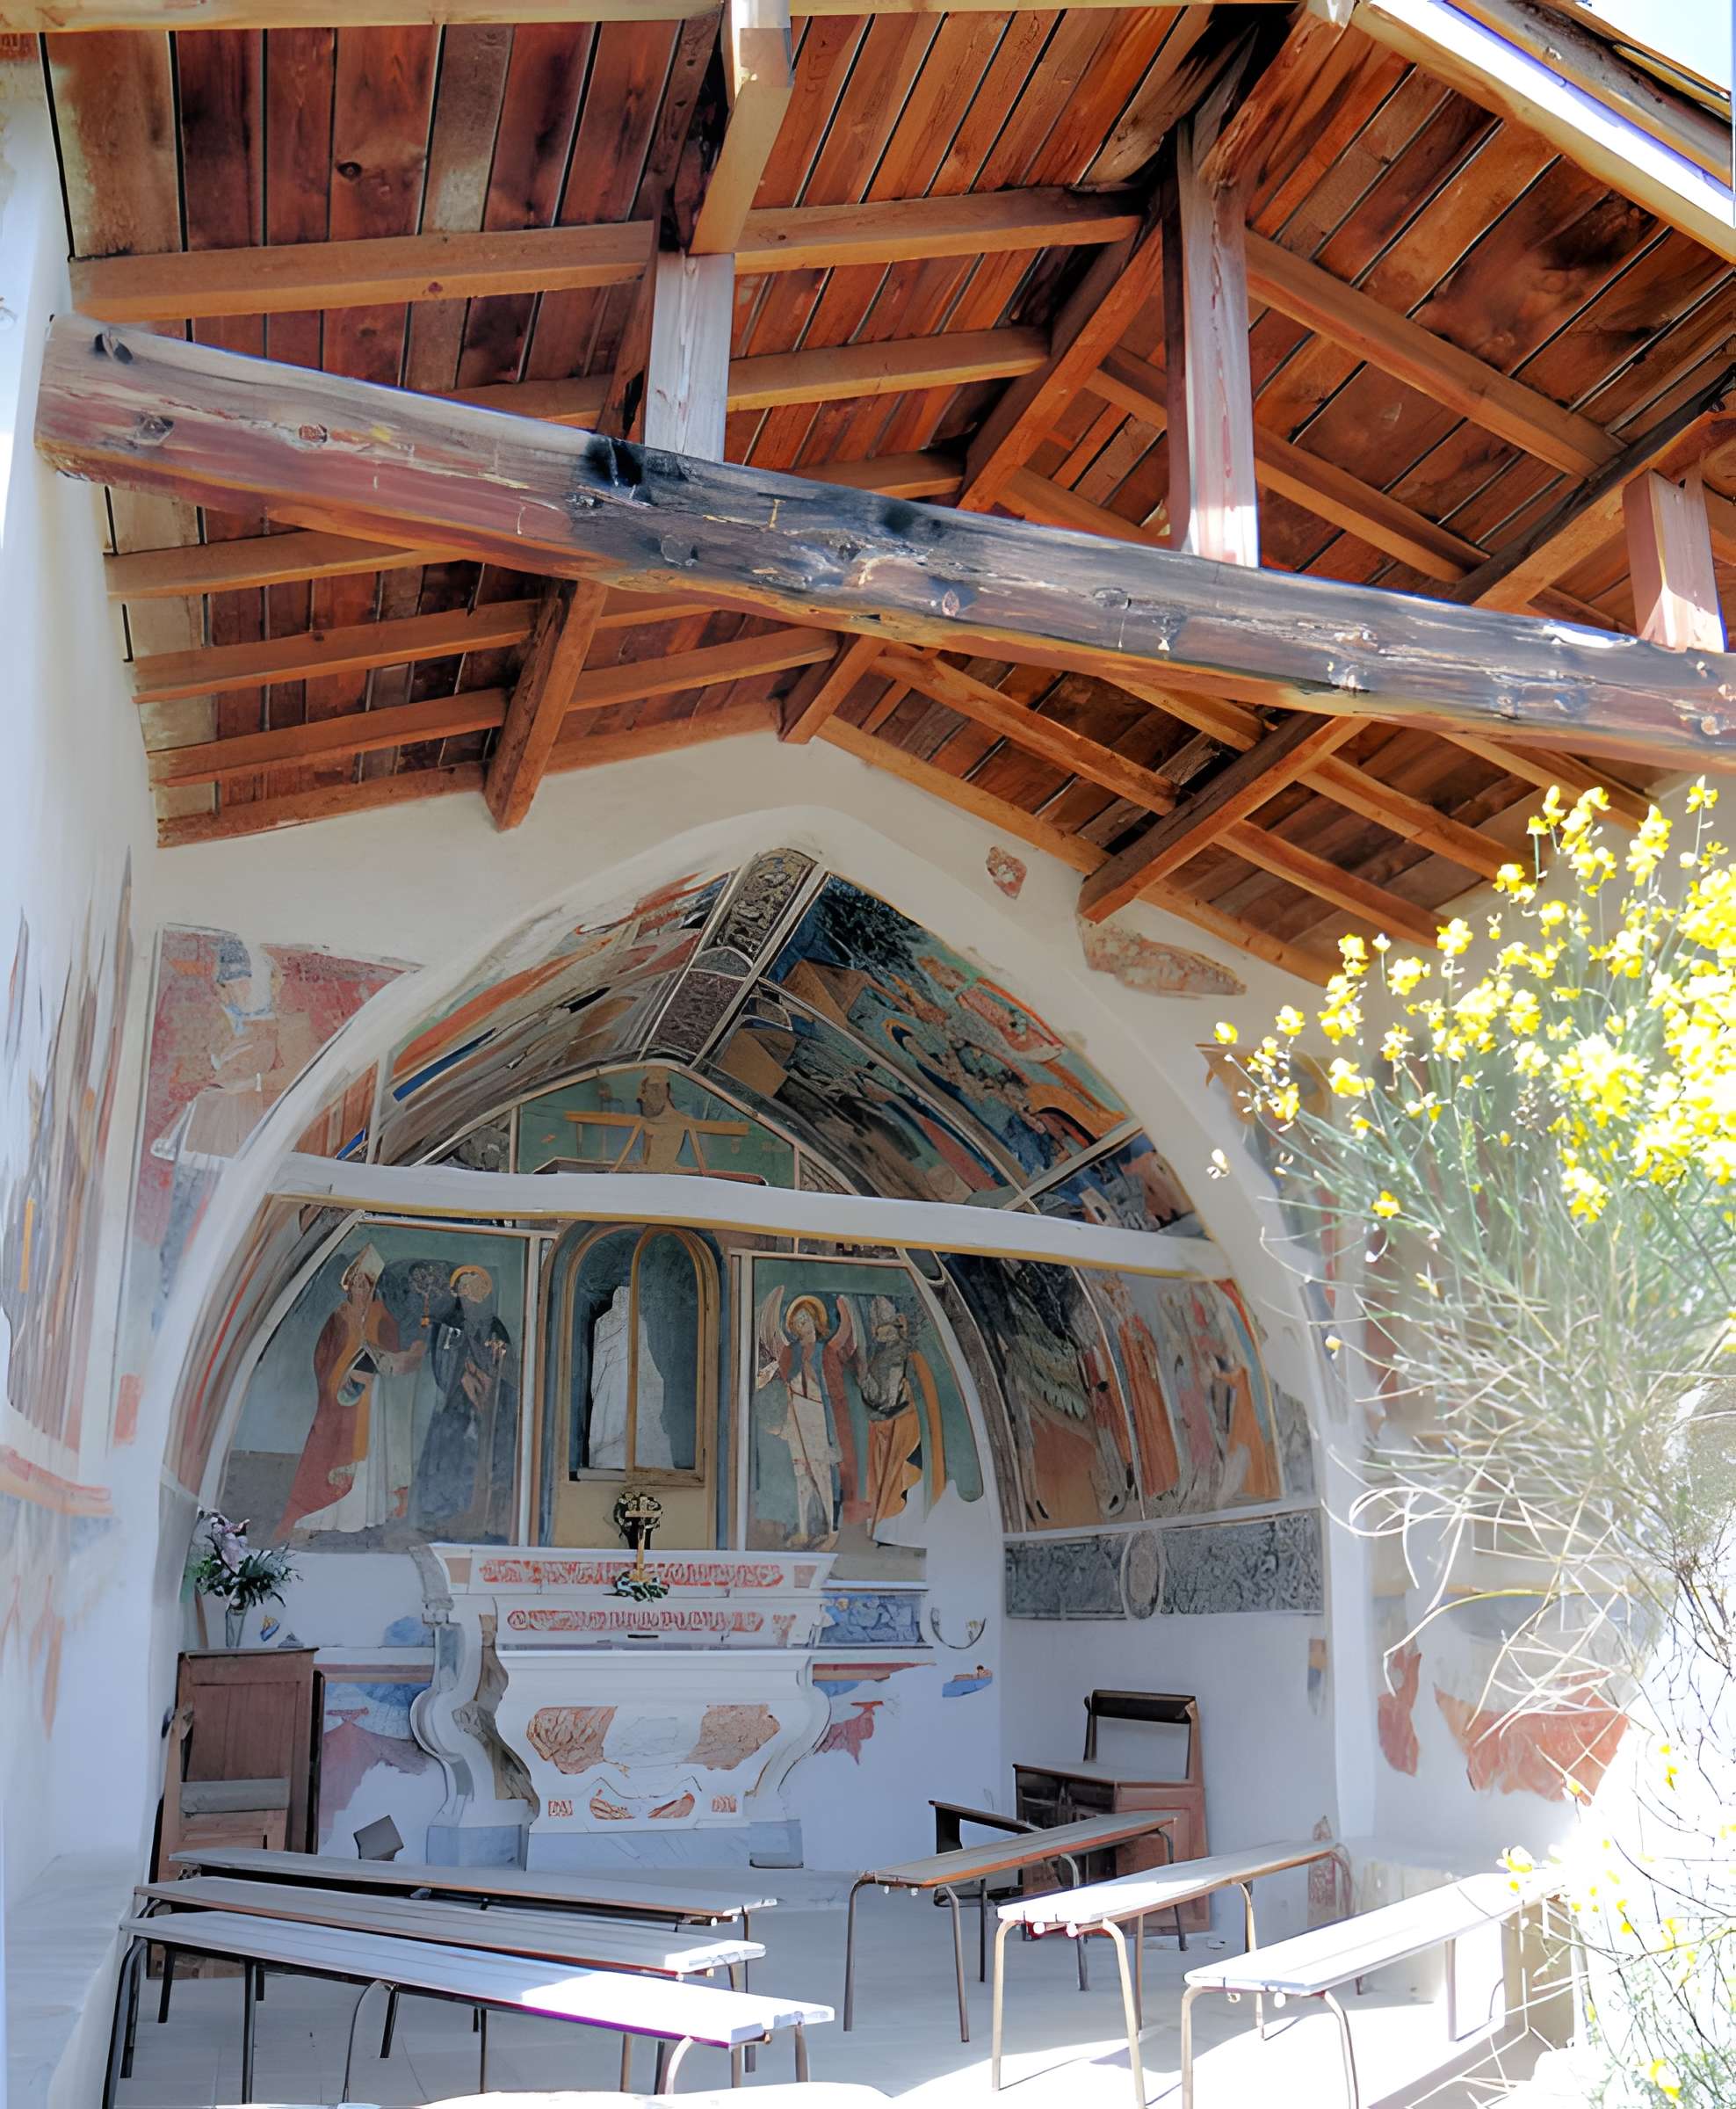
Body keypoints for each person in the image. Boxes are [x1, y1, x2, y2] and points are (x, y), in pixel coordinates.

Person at [279, 1246, 426, 1537]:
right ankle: (329, 1514)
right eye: (356, 1283)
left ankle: (365, 1513)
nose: (361, 1289)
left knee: (369, 1453)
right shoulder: (340, 1316)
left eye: (365, 1284)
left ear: (372, 1287)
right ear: (348, 1286)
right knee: (333, 1449)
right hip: (341, 1396)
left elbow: (391, 1351)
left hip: (372, 1398)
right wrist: (341, 1375)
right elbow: (323, 1356)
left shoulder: (381, 1315)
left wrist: (378, 1359)